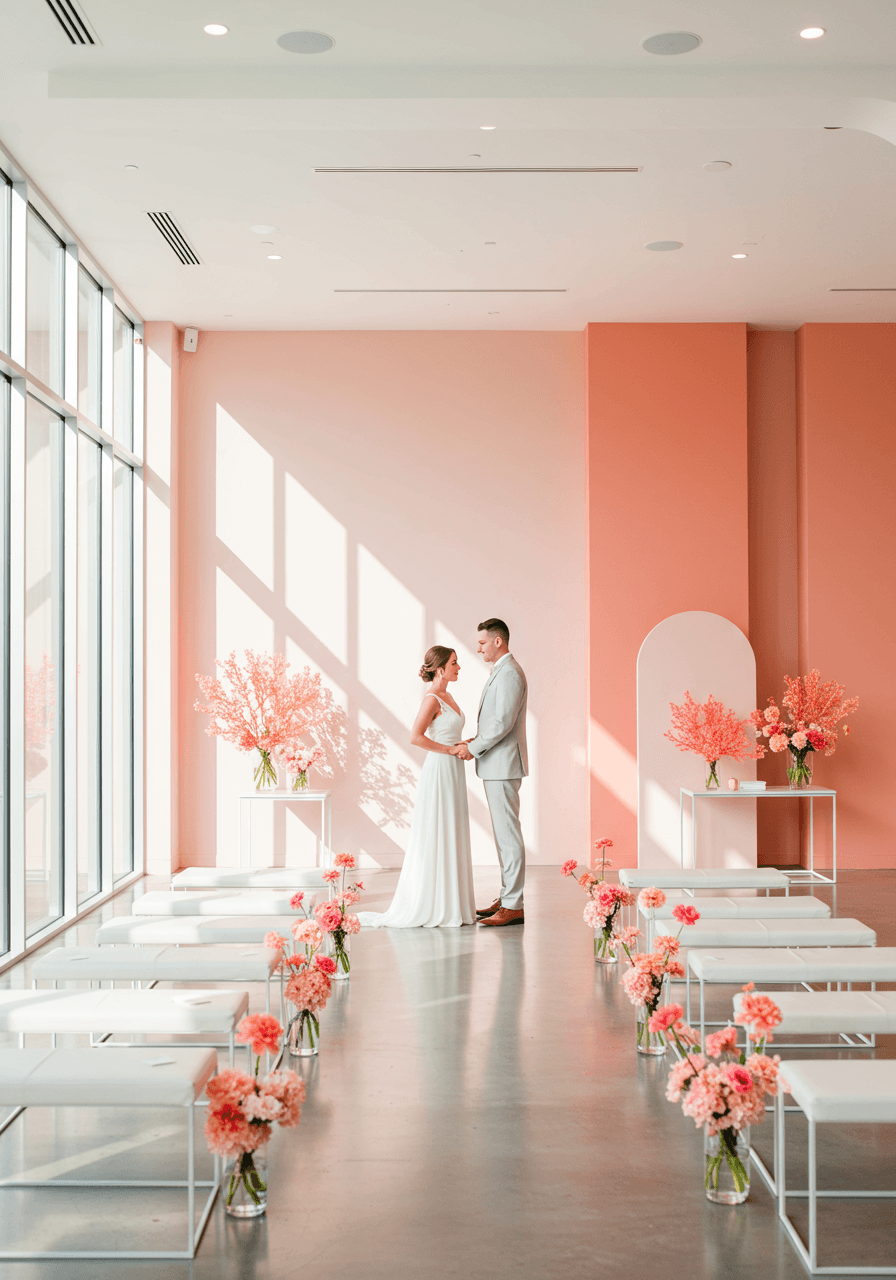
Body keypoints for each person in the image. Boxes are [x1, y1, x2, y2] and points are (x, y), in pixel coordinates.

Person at [357, 646, 475, 929]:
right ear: (440, 669)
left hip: (454, 768)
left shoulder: (449, 695)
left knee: (453, 828)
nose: (459, 668)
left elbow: (450, 732)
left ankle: (453, 903)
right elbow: (415, 737)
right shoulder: (432, 699)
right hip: (439, 769)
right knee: (438, 829)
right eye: (455, 663)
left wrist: (467, 743)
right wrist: (448, 750)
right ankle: (435, 904)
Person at [454, 618, 528, 927]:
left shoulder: (510, 673)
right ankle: (508, 896)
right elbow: (496, 722)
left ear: (498, 641)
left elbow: (502, 723)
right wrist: (476, 739)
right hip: (497, 763)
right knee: (503, 835)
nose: (478, 648)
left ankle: (513, 904)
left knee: (508, 835)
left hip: (503, 764)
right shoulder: (503, 671)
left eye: (483, 643)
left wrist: (474, 747)